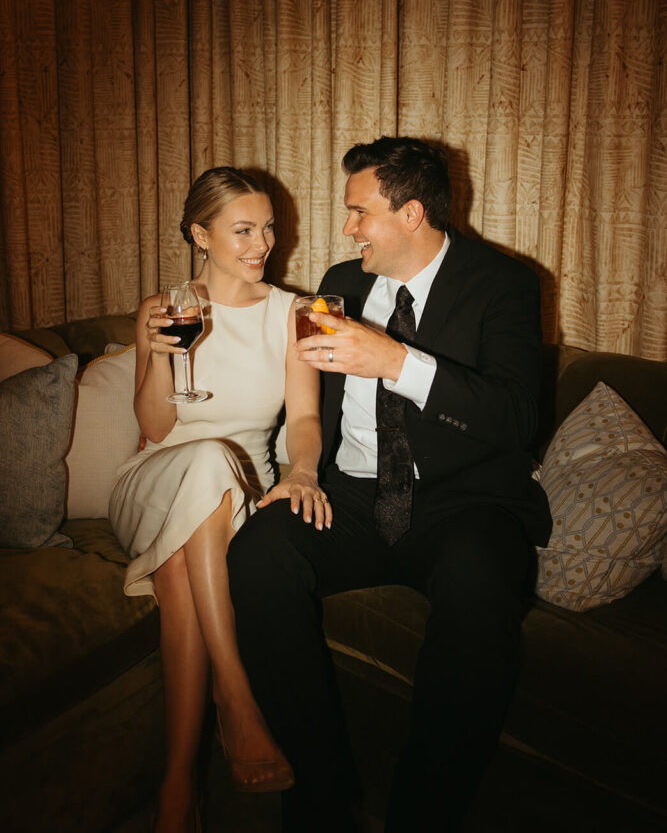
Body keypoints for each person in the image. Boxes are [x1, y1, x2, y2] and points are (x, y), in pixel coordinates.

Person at [227, 136, 553, 832]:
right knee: (257, 552)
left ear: (410, 213)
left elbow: (516, 416)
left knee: (480, 583)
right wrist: (302, 470)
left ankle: (421, 814)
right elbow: (308, 401)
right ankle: (320, 792)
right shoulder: (341, 281)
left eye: (358, 212)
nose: (347, 228)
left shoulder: (503, 284)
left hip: (460, 503)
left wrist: (396, 361)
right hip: (349, 492)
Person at [109, 167, 328, 833]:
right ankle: (235, 697)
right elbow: (153, 427)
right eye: (242, 230)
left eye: (267, 227)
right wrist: (165, 358)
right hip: (152, 480)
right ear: (199, 235)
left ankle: (177, 789)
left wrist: (306, 472)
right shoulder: (165, 305)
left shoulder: (297, 312)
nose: (261, 242)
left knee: (180, 574)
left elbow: (305, 421)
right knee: (202, 458)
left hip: (241, 490)